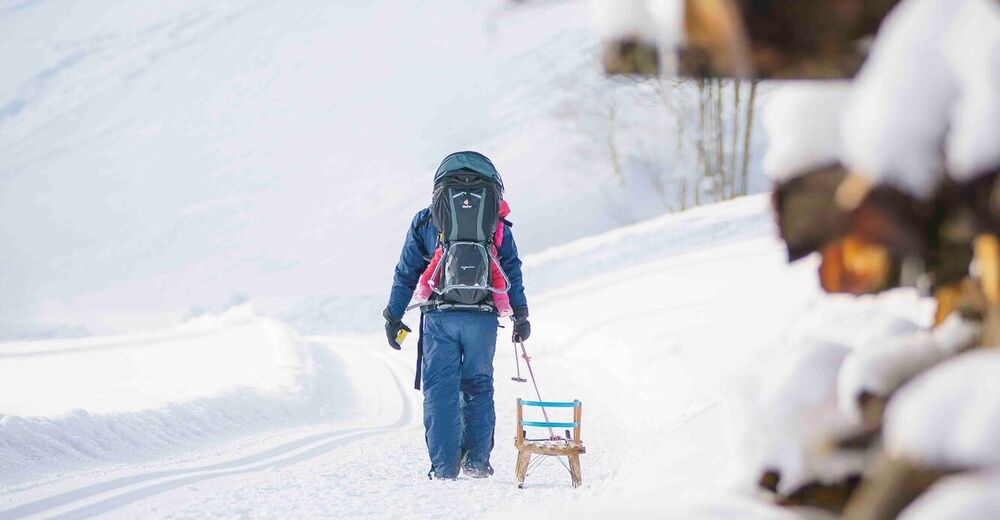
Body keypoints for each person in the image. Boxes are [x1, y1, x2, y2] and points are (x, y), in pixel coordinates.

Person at [383, 151, 530, 480]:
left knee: (440, 388)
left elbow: (407, 271)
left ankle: (445, 467)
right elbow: (512, 271)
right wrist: (520, 315)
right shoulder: (496, 221)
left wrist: (394, 315)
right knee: (478, 385)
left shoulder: (427, 219)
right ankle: (477, 461)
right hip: (483, 315)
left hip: (440, 315)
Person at [413, 199, 514, 317]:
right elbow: (502, 217)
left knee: (436, 264)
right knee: (496, 274)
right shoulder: (488, 200)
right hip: (483, 245)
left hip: (451, 243)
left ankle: (424, 290)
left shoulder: (450, 199)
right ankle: (502, 303)